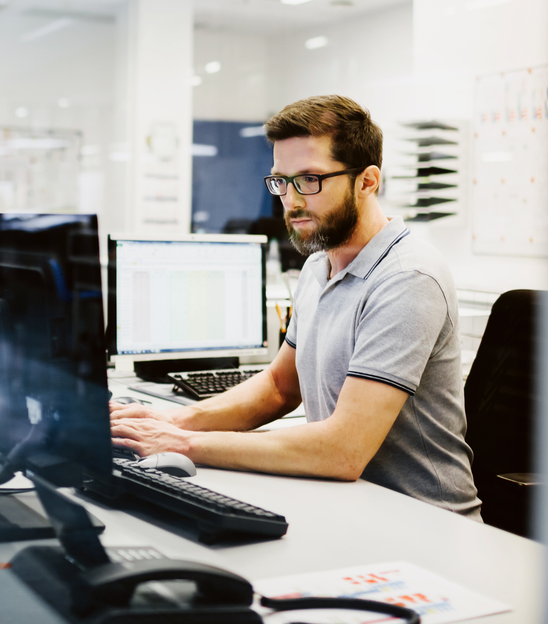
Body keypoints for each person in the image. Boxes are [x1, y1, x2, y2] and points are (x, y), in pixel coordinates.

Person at [111, 95, 481, 519]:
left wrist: (182, 444)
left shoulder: (406, 277)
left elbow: (343, 450)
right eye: (281, 181)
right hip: (352, 505)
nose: (291, 200)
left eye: (310, 179)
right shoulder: (318, 266)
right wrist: (173, 421)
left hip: (425, 520)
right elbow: (279, 388)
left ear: (367, 180)